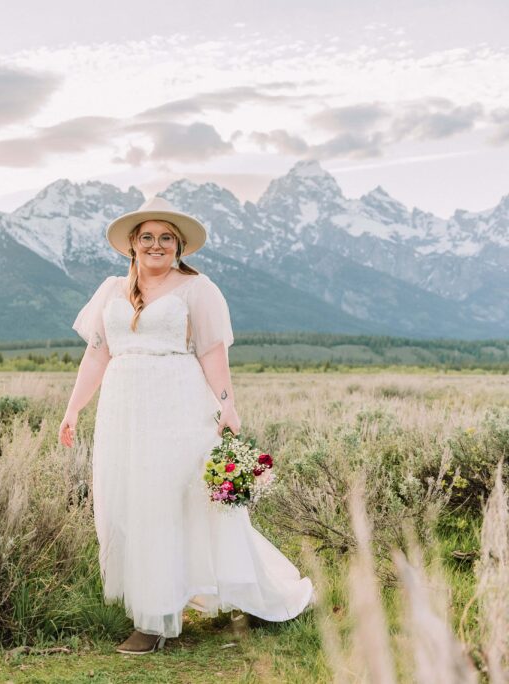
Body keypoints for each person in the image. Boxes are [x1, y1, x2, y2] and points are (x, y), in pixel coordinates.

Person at [58, 195, 315, 655]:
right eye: (147, 238)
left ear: (178, 246)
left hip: (177, 404)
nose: (156, 245)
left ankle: (157, 620)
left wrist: (227, 408)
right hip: (123, 410)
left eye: (166, 238)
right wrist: (74, 409)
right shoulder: (110, 291)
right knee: (130, 503)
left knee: (174, 502)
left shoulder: (197, 289)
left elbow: (213, 353)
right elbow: (97, 353)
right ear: (132, 245)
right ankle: (150, 604)